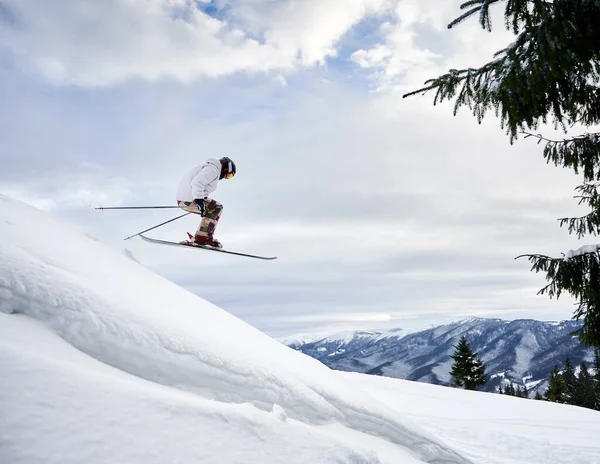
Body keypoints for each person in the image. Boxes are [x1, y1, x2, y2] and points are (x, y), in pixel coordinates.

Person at [176, 157, 236, 248]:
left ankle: (202, 236)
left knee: (213, 207)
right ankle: (202, 237)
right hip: (188, 200)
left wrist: (201, 199)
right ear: (225, 168)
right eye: (229, 175)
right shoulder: (213, 170)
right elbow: (197, 183)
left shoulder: (211, 169)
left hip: (186, 199)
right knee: (216, 207)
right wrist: (199, 199)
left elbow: (200, 186)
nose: (225, 178)